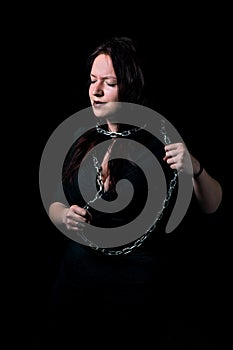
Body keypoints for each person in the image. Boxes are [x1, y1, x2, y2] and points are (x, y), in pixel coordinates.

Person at [45, 37, 222, 346]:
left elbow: (212, 204)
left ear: (129, 87)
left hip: (135, 279)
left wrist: (195, 167)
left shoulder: (158, 140)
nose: (95, 91)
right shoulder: (83, 136)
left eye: (108, 83)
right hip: (77, 272)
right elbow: (57, 202)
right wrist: (63, 216)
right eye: (92, 80)